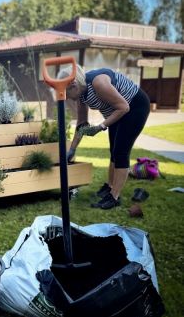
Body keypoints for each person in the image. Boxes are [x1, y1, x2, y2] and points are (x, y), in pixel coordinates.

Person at [58, 65, 150, 210]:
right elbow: (82, 123)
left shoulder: (98, 83)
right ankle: (110, 186)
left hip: (134, 107)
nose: (66, 97)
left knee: (121, 151)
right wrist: (73, 149)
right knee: (113, 150)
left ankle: (114, 197)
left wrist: (100, 126)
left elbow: (124, 107)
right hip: (117, 111)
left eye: (65, 92)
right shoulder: (80, 94)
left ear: (73, 85)